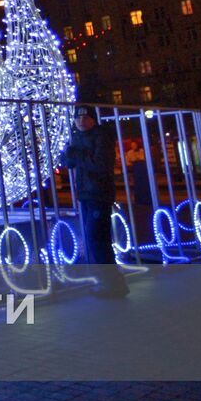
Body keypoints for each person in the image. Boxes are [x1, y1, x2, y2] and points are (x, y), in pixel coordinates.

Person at [62, 104, 129, 298]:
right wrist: (68, 156)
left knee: (97, 239)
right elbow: (70, 161)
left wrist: (77, 155)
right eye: (78, 118)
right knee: (96, 240)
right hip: (85, 194)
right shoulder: (78, 137)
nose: (81, 121)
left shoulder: (102, 136)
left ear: (93, 119)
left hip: (99, 194)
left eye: (86, 117)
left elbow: (100, 164)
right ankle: (111, 283)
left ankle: (112, 284)